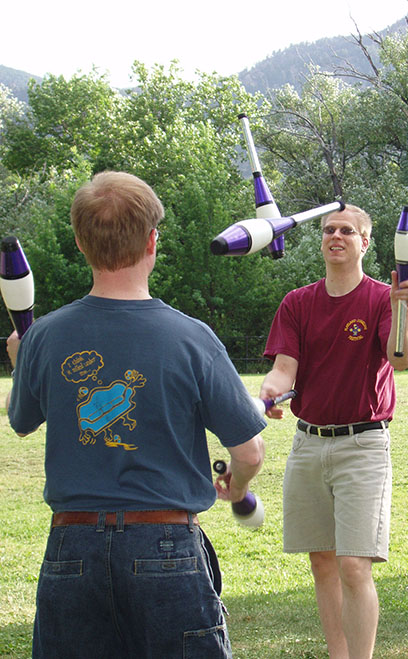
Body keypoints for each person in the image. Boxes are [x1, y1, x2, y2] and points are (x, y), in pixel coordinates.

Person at [6, 171, 266, 659]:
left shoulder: (45, 337)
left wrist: (24, 360)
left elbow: (21, 419)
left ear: (81, 244)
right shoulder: (192, 337)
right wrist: (239, 483)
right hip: (167, 544)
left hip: (71, 549)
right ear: (153, 240)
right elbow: (248, 450)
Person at [260, 204, 408, 659]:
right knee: (323, 563)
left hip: (363, 444)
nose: (336, 236)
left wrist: (400, 308)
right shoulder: (297, 302)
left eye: (347, 231)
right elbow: (283, 369)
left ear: (365, 243)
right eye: (329, 229)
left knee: (354, 565)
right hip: (308, 443)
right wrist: (267, 394)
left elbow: (400, 359)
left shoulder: (380, 298)